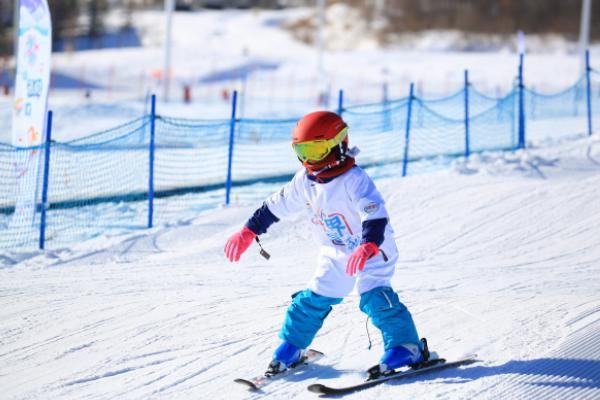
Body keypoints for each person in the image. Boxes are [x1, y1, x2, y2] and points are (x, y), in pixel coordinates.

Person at [224, 111, 429, 378]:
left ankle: (407, 346)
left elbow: (374, 213)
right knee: (312, 300)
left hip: (373, 250)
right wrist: (248, 231)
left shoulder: (354, 180)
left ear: (338, 144)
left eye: (317, 150)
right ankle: (292, 347)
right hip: (336, 251)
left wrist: (368, 245)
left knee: (374, 295)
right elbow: (275, 206)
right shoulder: (305, 180)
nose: (309, 159)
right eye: (302, 150)